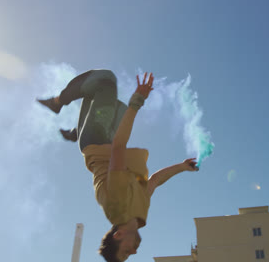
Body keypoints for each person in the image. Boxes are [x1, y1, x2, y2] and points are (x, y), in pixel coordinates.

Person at [37, 69, 198, 261]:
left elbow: (119, 148)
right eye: (130, 255)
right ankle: (76, 131)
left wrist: (138, 100)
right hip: (108, 139)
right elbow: (155, 180)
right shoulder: (137, 215)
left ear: (118, 235)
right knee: (118, 108)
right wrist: (182, 166)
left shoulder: (117, 204)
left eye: (126, 252)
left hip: (95, 141)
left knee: (106, 82)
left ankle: (57, 103)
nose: (134, 252)